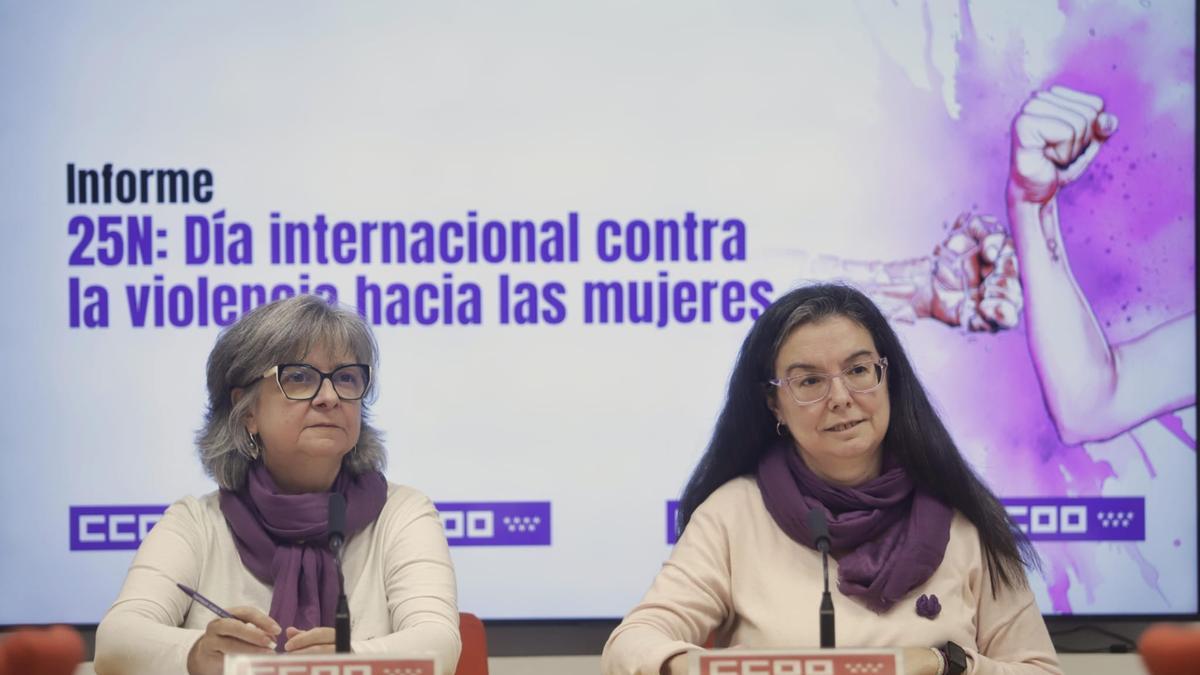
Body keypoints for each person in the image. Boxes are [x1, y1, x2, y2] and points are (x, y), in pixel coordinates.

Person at [601, 283, 1060, 675]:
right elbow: (632, 642)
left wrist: (946, 664)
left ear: (887, 379)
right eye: (809, 382)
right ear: (774, 404)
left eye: (859, 371)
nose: (841, 398)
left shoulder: (961, 515)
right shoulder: (734, 513)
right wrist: (708, 669)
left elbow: (1039, 670)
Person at [94, 294, 461, 675]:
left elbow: (438, 644)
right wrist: (195, 653)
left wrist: (351, 660)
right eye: (299, 377)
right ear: (247, 410)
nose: (330, 397)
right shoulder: (197, 523)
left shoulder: (402, 513)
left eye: (346, 377)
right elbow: (116, 642)